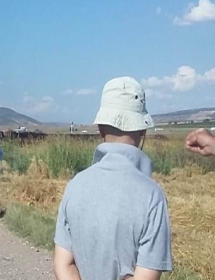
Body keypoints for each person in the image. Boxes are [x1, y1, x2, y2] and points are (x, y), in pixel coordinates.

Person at [54, 76, 173, 280]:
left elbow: (62, 265)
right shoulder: (152, 196)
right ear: (143, 130)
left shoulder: (75, 185)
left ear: (100, 128)